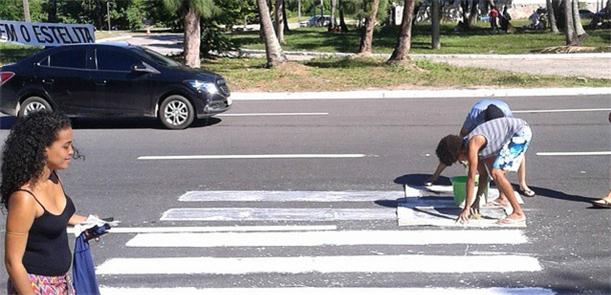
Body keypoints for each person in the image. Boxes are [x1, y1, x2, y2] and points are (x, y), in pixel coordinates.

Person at [2, 112, 88, 295]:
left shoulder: (53, 178)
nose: (71, 151)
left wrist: (90, 222)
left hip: (62, 283)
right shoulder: (24, 198)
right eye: (65, 146)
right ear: (43, 149)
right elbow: (12, 261)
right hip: (35, 286)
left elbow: (57, 217)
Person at [426, 99, 535, 198]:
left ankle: (521, 186)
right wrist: (464, 155)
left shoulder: (506, 118)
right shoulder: (476, 115)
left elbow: (516, 146)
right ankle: (435, 176)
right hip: (480, 115)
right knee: (453, 149)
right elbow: (460, 138)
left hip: (511, 124)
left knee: (503, 164)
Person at [436, 117, 532, 224]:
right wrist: (477, 200)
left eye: (457, 159)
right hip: (510, 133)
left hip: (520, 131)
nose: (460, 162)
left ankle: (518, 213)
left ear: (459, 153)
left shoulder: (473, 144)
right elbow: (483, 175)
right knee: (494, 172)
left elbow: (471, 178)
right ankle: (505, 199)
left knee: (496, 172)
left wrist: (467, 208)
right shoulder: (475, 148)